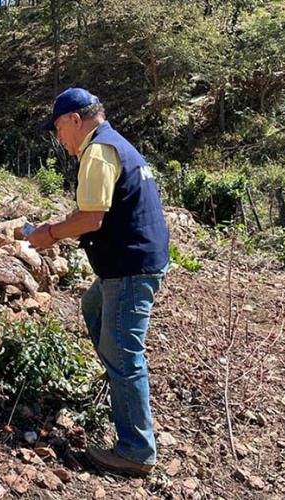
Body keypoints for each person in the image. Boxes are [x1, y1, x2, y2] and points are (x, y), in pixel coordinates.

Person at [27, 88, 170, 477]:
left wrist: (49, 233)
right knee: (94, 309)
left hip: (129, 266)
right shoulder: (115, 145)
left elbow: (91, 219)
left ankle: (136, 451)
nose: (59, 138)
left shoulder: (99, 151)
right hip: (133, 261)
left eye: (58, 129)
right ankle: (120, 388)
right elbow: (95, 209)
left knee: (123, 351)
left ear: (75, 120)